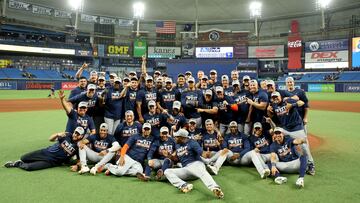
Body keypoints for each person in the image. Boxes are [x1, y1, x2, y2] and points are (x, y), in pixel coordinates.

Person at [164, 129, 224, 199]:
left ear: (182, 137)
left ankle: (215, 188)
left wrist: (206, 154)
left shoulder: (192, 143)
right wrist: (169, 155)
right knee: (167, 171)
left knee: (202, 172)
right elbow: (176, 159)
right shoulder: (177, 145)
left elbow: (202, 153)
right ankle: (184, 185)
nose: (175, 138)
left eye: (177, 136)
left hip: (196, 164)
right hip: (186, 169)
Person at [267, 91, 315, 175]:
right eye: (273, 97)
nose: (275, 99)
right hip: (285, 129)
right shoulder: (273, 105)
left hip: (296, 128)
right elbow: (271, 115)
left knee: (304, 146)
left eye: (277, 97)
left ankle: (311, 165)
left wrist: (292, 105)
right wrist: (268, 110)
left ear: (280, 97)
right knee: (276, 137)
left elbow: (301, 102)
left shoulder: (287, 100)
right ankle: (280, 159)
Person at [4, 127, 85, 171]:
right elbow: (50, 139)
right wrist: (57, 134)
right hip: (45, 152)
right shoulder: (67, 135)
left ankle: (17, 164)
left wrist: (77, 167)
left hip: (52, 162)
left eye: (78, 134)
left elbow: (79, 161)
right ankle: (20, 161)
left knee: (29, 167)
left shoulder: (79, 146)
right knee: (23, 158)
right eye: (75, 132)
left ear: (81, 136)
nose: (75, 135)